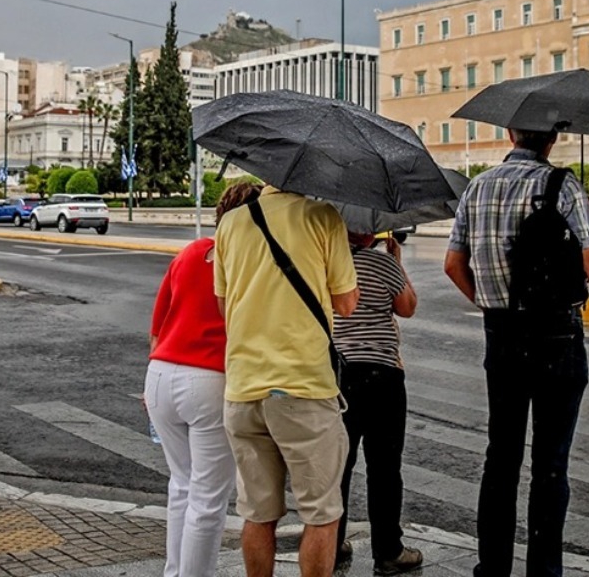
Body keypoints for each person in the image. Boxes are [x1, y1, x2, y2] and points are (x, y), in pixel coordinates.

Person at [444, 127, 589, 577]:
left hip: (503, 335)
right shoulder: (564, 186)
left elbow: (453, 264)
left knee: (502, 455)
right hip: (557, 336)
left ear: (511, 132)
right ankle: (543, 571)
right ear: (551, 138)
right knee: (551, 462)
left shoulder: (478, 186)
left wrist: (490, 304)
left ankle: (492, 568)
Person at [214, 184, 358, 577]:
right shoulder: (323, 215)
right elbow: (346, 304)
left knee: (258, 514)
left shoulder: (231, 222)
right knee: (322, 514)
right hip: (303, 386)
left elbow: (225, 306)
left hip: (243, 388)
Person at [145, 182, 261, 577]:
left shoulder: (191, 252)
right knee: (209, 497)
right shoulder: (248, 261)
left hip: (160, 374)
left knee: (181, 484)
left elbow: (158, 325)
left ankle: (174, 572)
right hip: (208, 379)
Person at [333, 232, 422, 575]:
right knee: (384, 468)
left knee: (338, 466)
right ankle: (388, 551)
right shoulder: (383, 261)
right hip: (382, 375)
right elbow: (407, 307)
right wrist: (397, 263)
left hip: (338, 375)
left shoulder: (329, 263)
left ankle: (332, 540)